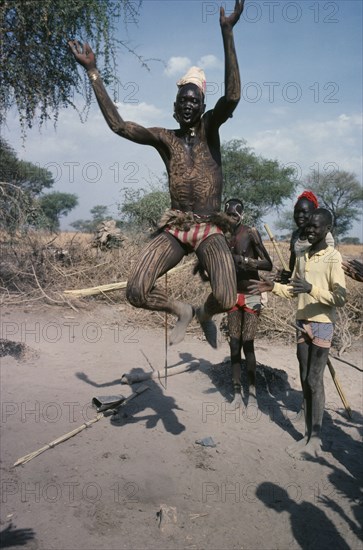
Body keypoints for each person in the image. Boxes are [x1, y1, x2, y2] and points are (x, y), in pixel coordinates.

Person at [68, 0, 245, 348]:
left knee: (225, 297)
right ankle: (181, 310)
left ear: (202, 106)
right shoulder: (166, 139)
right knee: (136, 290)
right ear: (175, 107)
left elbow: (234, 96)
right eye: (183, 101)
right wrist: (92, 72)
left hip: (210, 227)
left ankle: (204, 313)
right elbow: (120, 126)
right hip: (177, 228)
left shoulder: (212, 128)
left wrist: (227, 33)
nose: (188, 104)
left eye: (194, 100)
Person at [248, 208, 346, 459]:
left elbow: (340, 298)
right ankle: (306, 436)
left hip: (323, 324)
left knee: (315, 380)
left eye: (316, 226)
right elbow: (294, 290)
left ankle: (315, 440)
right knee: (304, 379)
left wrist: (312, 289)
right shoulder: (303, 256)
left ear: (327, 229)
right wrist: (273, 286)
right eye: (309, 226)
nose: (310, 230)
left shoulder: (333, 257)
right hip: (302, 322)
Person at [224, 199, 273, 405]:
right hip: (232, 295)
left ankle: (252, 393)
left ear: (241, 216)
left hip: (252, 294)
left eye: (235, 216)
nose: (231, 219)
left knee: (248, 344)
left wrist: (245, 261)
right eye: (228, 215)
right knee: (234, 345)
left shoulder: (250, 233)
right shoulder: (223, 237)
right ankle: (237, 392)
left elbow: (268, 264)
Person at [280, 191, 334, 282]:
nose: (300, 216)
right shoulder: (296, 235)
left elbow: (326, 267)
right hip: (298, 287)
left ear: (314, 214)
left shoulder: (325, 236)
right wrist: (287, 275)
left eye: (304, 212)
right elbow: (293, 263)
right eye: (297, 212)